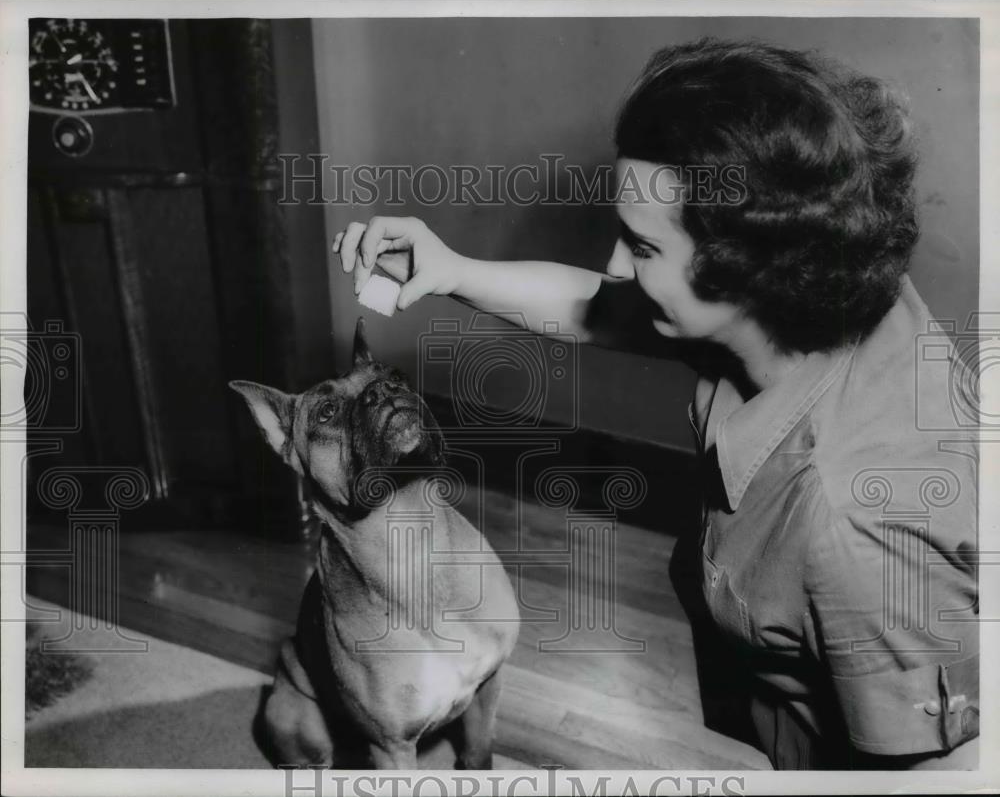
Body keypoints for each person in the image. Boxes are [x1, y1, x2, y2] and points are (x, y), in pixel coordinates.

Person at [332, 38, 979, 770]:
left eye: (639, 247)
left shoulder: (851, 526)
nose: (613, 264)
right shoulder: (820, 275)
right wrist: (451, 270)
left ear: (743, 269)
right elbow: (602, 307)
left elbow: (937, 772)